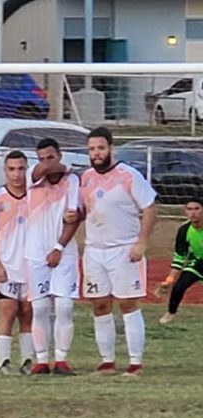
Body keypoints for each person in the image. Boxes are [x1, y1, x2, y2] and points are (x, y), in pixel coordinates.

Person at [79, 126, 157, 376]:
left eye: (100, 148)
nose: (96, 153)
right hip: (94, 250)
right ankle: (107, 362)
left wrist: (141, 242)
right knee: (100, 304)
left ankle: (135, 364)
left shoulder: (129, 175)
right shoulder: (86, 178)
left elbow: (150, 208)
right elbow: (85, 209)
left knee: (127, 303)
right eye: (92, 149)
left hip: (124, 249)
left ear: (111, 148)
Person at [24, 138, 81, 376]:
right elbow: (43, 171)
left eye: (50, 157)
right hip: (35, 252)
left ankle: (61, 359)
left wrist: (59, 246)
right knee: (39, 308)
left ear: (60, 155)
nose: (45, 163)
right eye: (41, 158)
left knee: (65, 306)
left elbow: (73, 217)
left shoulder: (73, 181)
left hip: (64, 251)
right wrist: (61, 166)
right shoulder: (32, 176)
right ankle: (41, 360)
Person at [0, 150, 35, 376]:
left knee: (28, 312)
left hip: (31, 267)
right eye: (12, 169)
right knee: (8, 310)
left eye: (21, 169)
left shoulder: (36, 196)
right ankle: (3, 361)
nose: (17, 174)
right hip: (7, 267)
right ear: (5, 171)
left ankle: (28, 360)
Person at [155, 196, 203, 324]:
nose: (193, 213)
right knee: (179, 286)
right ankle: (170, 313)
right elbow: (180, 256)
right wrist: (169, 280)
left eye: (197, 209)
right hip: (199, 262)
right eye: (189, 209)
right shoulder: (184, 230)